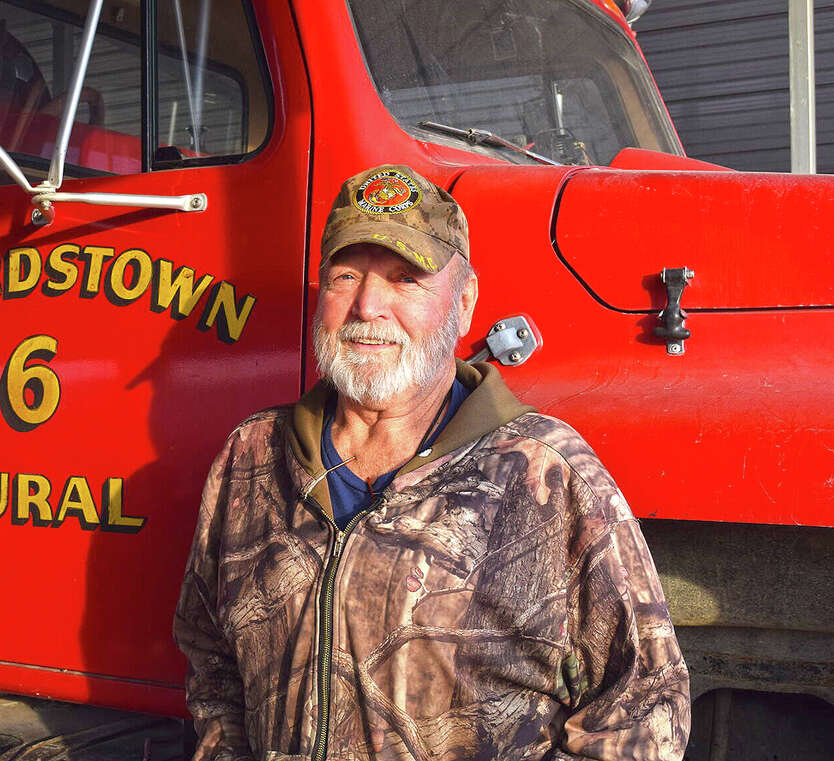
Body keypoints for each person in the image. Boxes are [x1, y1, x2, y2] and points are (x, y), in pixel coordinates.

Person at [173, 165, 690, 761]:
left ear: (463, 302)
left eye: (405, 279)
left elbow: (645, 706)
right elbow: (211, 663)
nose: (368, 306)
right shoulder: (252, 459)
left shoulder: (545, 473)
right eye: (346, 276)